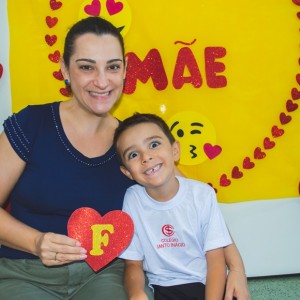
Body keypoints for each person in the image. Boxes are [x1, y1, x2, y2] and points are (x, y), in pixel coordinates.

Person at [0, 16, 249, 300]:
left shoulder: (132, 146)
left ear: (125, 71)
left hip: (104, 276)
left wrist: (237, 269)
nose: (102, 81)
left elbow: (197, 202)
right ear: (64, 69)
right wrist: (36, 242)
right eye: (86, 67)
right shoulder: (32, 123)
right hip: (24, 272)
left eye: (113, 67)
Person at [114, 113, 233, 300]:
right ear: (127, 172)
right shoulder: (132, 199)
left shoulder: (202, 194)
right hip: (165, 287)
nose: (146, 157)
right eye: (133, 154)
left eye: (154, 144)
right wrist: (136, 293)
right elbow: (133, 264)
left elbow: (216, 260)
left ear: (175, 150)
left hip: (209, 282)